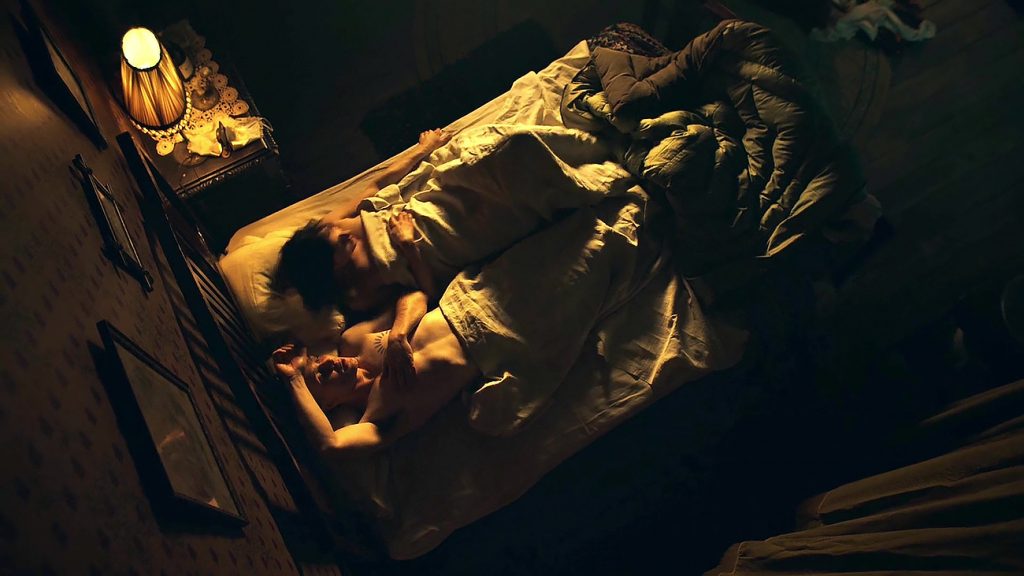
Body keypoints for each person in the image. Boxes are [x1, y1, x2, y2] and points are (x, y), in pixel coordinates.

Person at [276, 124, 641, 316]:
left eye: (334, 232)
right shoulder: (359, 295)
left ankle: (603, 144)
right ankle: (611, 173)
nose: (342, 234)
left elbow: (376, 185)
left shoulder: (331, 226)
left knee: (513, 147)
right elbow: (426, 295)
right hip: (455, 240)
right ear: (332, 270)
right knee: (529, 195)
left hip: (441, 200)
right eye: (339, 245)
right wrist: (409, 247)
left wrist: (424, 149)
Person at [272, 295, 479, 456]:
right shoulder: (379, 416)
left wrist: (398, 336)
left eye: (317, 359)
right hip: (487, 347)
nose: (327, 362)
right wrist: (294, 379)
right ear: (328, 404)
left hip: (464, 297)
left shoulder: (354, 341)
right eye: (322, 375)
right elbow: (331, 445)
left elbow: (415, 296)